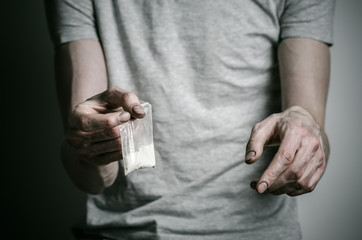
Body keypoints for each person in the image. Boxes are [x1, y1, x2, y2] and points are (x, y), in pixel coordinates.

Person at [45, 0, 335, 239]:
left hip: (259, 232)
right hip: (127, 231)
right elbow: (87, 173)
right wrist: (95, 149)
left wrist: (304, 134)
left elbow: (310, 127)